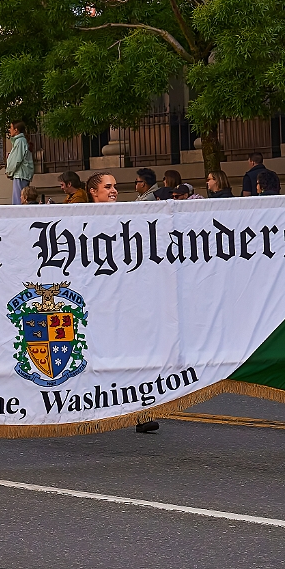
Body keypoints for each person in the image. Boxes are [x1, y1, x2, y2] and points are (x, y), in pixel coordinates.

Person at [86, 173, 158, 433]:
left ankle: (142, 412)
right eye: (108, 187)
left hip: (124, 300)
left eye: (115, 186)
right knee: (94, 359)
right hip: (96, 302)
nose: (114, 190)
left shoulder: (128, 217)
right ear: (94, 192)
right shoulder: (81, 220)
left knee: (133, 357)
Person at [6, 122, 35, 205]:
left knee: (19, 201)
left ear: (16, 130)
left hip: (20, 174)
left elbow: (17, 159)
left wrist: (9, 171)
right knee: (20, 199)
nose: (9, 130)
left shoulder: (20, 141)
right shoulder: (20, 141)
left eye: (11, 127)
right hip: (21, 174)